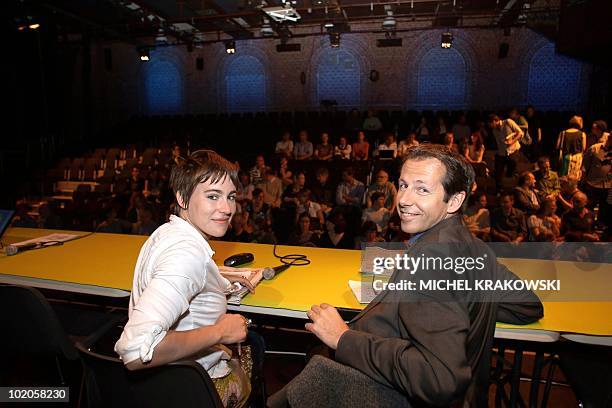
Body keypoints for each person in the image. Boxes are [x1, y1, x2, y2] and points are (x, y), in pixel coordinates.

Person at [268, 144, 543, 408]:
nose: (403, 200)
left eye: (422, 189)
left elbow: (440, 379)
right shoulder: (475, 248)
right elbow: (527, 304)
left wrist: (343, 338)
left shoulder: (432, 262)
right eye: (403, 185)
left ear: (455, 200)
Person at [115, 150, 256, 407]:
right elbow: (134, 352)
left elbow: (182, 271)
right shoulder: (187, 256)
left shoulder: (168, 233)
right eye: (213, 196)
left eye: (231, 197)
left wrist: (222, 276)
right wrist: (220, 332)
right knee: (253, 349)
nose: (226, 209)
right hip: (195, 389)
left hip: (162, 382)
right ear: (182, 197)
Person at [489, 114, 524, 189]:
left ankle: (512, 185)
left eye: (490, 123)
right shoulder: (494, 131)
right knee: (497, 172)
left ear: (495, 121)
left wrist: (512, 141)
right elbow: (499, 144)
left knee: (511, 169)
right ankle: (499, 190)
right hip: (502, 152)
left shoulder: (508, 122)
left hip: (513, 150)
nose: (490, 126)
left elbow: (520, 133)